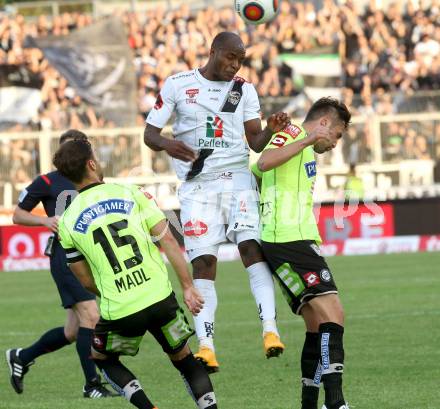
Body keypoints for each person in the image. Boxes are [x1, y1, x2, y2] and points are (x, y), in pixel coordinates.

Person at [144, 31, 289, 373]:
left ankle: (270, 330)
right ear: (213, 52)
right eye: (229, 58)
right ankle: (206, 346)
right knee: (204, 265)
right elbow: (149, 134)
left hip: (238, 181)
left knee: (252, 250)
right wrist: (168, 145)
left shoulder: (244, 89)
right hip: (198, 188)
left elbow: (255, 142)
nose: (234, 66)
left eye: (239, 61)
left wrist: (269, 129)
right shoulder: (178, 85)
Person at [53, 138, 218, 409]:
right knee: (184, 358)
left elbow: (83, 279)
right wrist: (187, 286)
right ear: (92, 164)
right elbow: (167, 241)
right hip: (160, 298)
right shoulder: (132, 193)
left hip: (120, 309)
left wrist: (113, 290)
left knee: (102, 358)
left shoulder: (68, 222)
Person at [253, 97, 351, 409]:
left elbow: (258, 176)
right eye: (336, 135)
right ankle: (335, 403)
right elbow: (263, 162)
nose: (335, 143)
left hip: (285, 238)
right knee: (334, 314)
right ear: (323, 124)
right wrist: (307, 138)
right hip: (289, 239)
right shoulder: (295, 134)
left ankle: (310, 404)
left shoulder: (302, 146)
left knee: (316, 324)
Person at [5, 129, 113, 398]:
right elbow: (18, 215)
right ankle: (92, 385)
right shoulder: (45, 181)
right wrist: (44, 220)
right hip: (64, 256)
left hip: (89, 256)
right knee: (92, 316)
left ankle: (21, 357)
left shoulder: (95, 177)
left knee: (73, 330)